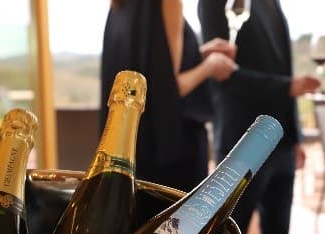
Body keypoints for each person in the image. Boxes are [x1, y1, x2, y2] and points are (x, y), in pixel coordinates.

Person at [198, 0, 320, 234]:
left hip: (282, 143)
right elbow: (225, 77)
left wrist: (295, 136)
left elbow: (285, 70)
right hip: (242, 140)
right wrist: (287, 87)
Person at [101, 0, 236, 193]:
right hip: (172, 151)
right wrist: (210, 66)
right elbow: (167, 89)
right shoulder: (169, 3)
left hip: (135, 146)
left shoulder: (119, 5)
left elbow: (151, 66)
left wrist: (199, 55)